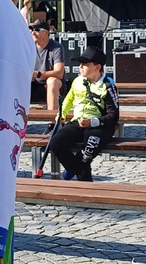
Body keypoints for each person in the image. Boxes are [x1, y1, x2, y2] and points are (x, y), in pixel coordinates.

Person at [49, 46, 119, 182]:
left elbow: (114, 116)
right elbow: (68, 99)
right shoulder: (77, 81)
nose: (80, 67)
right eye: (80, 63)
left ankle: (78, 175)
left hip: (99, 125)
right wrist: (62, 115)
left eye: (85, 64)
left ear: (97, 67)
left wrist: (92, 122)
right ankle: (76, 170)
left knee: (88, 148)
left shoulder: (108, 86)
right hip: (78, 121)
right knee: (56, 142)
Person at [29, 21, 64, 110]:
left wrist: (39, 74)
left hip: (52, 85)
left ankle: (52, 117)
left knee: (52, 81)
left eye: (37, 30)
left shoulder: (56, 48)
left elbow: (59, 73)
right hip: (34, 85)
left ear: (46, 33)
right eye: (31, 29)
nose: (33, 33)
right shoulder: (29, 47)